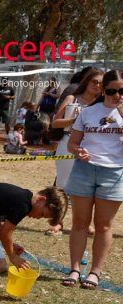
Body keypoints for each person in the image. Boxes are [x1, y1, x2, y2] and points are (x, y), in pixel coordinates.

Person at [61, 68, 123, 291]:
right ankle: (75, 269)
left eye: (122, 91)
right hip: (84, 171)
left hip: (114, 173)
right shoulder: (87, 112)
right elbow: (72, 143)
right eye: (112, 91)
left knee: (104, 226)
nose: (117, 95)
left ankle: (95, 272)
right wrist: (79, 151)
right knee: (79, 223)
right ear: (103, 89)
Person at [48, 68, 103, 238]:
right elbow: (55, 123)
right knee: (63, 184)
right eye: (94, 81)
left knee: (88, 187)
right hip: (67, 143)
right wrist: (76, 119)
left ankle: (84, 224)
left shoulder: (102, 103)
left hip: (92, 146)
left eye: (101, 83)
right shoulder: (72, 98)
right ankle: (58, 222)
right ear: (86, 82)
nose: (97, 85)